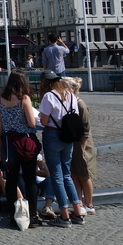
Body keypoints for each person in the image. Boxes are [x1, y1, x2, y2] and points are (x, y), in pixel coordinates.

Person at [39, 70, 86, 227]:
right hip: (68, 136)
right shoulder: (70, 94)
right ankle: (78, 212)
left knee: (57, 175)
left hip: (53, 135)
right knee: (66, 174)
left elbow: (44, 121)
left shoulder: (48, 96)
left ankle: (64, 215)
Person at [0, 69, 41, 228]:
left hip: (8, 141)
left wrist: (0, 144)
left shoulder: (0, 99)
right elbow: (31, 123)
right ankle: (33, 215)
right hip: (24, 141)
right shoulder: (24, 99)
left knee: (11, 180)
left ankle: (13, 216)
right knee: (30, 179)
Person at [64, 77, 97, 215]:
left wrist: (82, 149)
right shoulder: (69, 103)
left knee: (84, 174)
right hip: (73, 142)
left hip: (83, 144)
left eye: (64, 87)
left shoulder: (81, 105)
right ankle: (79, 203)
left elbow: (85, 129)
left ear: (73, 89)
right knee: (74, 175)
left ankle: (89, 204)